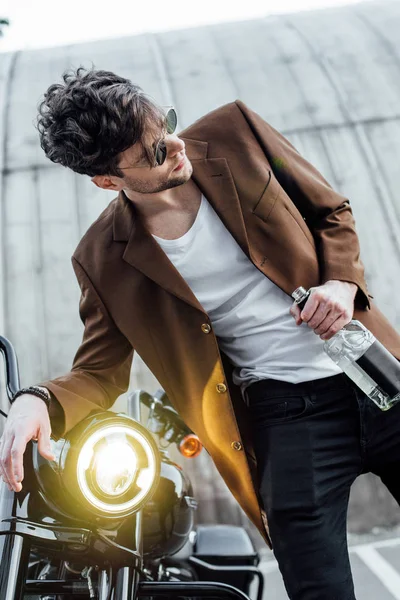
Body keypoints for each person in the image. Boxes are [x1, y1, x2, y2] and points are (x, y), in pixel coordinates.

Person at [1, 67, 400, 599]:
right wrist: (37, 401)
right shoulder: (102, 260)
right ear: (107, 180)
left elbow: (330, 211)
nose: (174, 143)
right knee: (318, 588)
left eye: (163, 123)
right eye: (151, 153)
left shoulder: (239, 135)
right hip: (290, 419)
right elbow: (99, 372)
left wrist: (341, 283)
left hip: (378, 376)